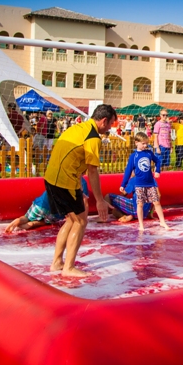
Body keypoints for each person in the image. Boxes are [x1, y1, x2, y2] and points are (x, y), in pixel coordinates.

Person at [44, 104, 116, 277]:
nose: (110, 128)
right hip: (64, 182)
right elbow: (92, 170)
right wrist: (99, 200)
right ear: (104, 120)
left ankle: (57, 262)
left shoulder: (78, 128)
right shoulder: (93, 137)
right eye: (110, 124)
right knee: (81, 222)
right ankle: (68, 268)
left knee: (71, 220)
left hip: (51, 178)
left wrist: (78, 189)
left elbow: (70, 158)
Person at [121, 132, 170, 231]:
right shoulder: (133, 156)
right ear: (136, 143)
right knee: (140, 204)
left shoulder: (149, 153)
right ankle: (141, 225)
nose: (145, 145)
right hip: (139, 184)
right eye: (143, 143)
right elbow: (128, 171)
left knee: (156, 202)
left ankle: (162, 221)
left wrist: (157, 171)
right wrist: (123, 184)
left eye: (146, 143)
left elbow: (158, 161)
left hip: (150, 183)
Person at [5, 177, 89, 233]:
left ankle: (20, 220)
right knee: (46, 222)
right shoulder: (82, 182)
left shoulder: (61, 175)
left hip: (41, 204)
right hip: (57, 211)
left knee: (26, 217)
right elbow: (84, 202)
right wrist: (83, 220)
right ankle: (32, 224)